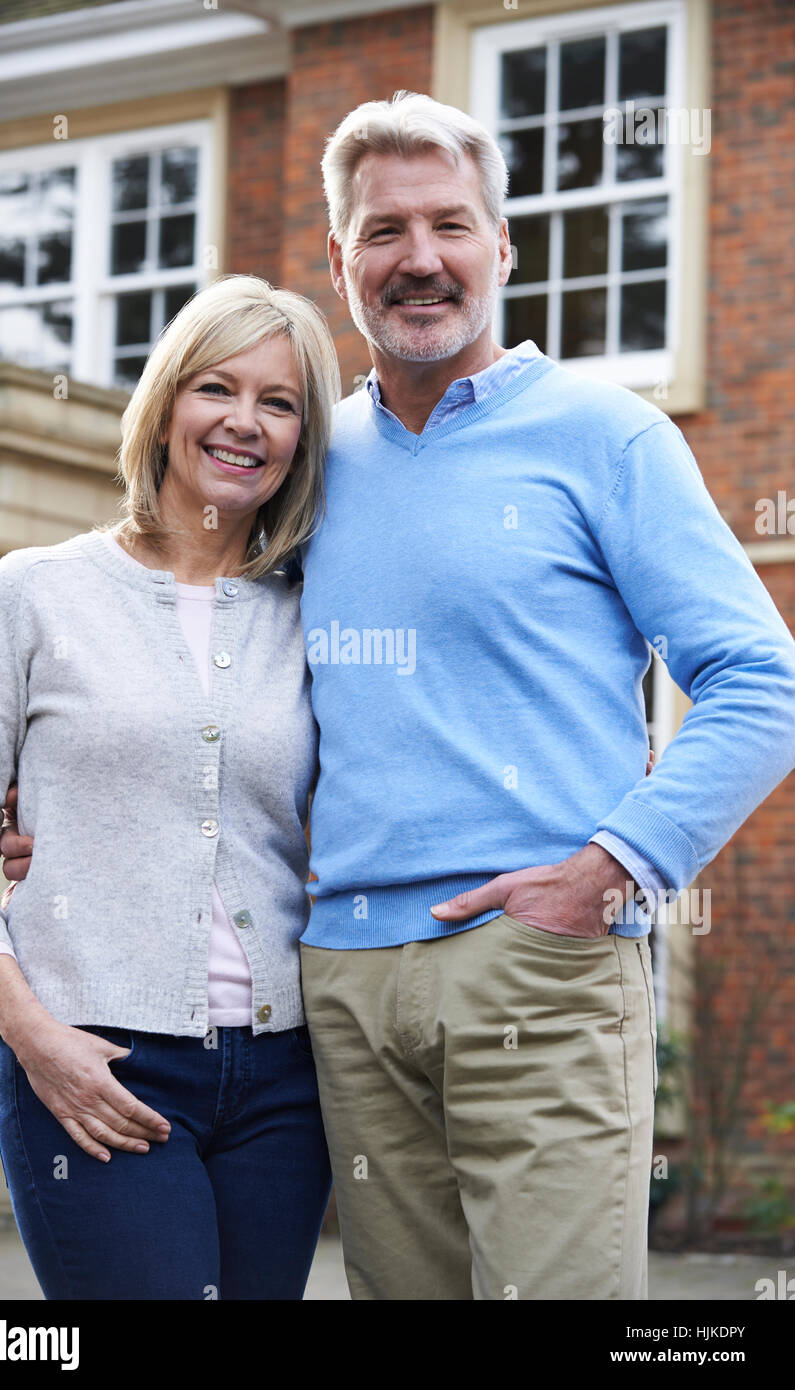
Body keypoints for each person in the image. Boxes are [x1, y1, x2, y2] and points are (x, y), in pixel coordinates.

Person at [291, 91, 795, 1300]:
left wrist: (612, 870)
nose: (420, 259)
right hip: (345, 979)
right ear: (338, 257)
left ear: (503, 247)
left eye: (451, 225)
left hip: (541, 957)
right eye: (384, 230)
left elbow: (762, 681)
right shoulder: (303, 463)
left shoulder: (603, 436)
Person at [0, 274, 341, 1300]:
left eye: (280, 402)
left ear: (303, 437)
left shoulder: (315, 613)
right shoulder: (35, 591)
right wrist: (30, 1032)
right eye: (216, 387)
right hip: (93, 1059)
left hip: (285, 1081)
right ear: (163, 408)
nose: (245, 422)